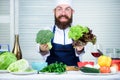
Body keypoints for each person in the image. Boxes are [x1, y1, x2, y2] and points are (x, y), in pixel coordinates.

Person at [39, 0, 85, 66]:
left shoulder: (78, 32)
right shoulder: (47, 31)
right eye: (59, 9)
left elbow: (80, 54)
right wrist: (42, 49)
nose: (63, 13)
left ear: (72, 12)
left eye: (67, 9)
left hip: (74, 74)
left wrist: (80, 49)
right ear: (54, 12)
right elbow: (41, 52)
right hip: (51, 74)